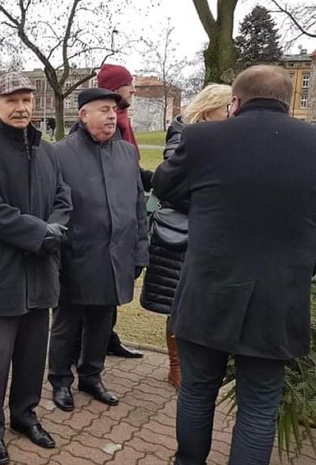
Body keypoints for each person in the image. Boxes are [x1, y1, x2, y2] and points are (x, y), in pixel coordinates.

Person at [153, 65, 316, 465]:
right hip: (280, 294)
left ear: (235, 102)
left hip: (209, 286)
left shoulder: (204, 138)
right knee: (260, 403)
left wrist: (206, 206)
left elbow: (165, 186)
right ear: (287, 102)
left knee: (197, 390)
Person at [0, 71, 72, 465]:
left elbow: (63, 197)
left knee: (32, 354)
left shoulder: (48, 151)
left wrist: (55, 228)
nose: (21, 107)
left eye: (26, 100)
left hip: (41, 270)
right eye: (12, 100)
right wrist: (40, 233)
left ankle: (25, 415)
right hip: (3, 272)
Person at [48, 88, 148, 412]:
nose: (111, 116)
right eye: (103, 109)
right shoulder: (59, 153)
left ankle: (91, 376)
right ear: (83, 115)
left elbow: (138, 206)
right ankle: (60, 380)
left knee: (102, 321)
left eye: (114, 110)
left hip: (116, 255)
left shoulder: (127, 153)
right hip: (75, 254)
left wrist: (140, 251)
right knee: (67, 322)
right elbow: (52, 207)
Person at [139, 83, 232, 390]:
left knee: (206, 302)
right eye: (227, 108)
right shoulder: (184, 135)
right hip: (181, 231)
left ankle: (198, 365)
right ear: (210, 108)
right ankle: (176, 365)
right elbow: (171, 184)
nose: (232, 113)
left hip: (213, 232)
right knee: (178, 301)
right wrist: (208, 204)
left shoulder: (231, 136)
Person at [94, 63, 147, 359]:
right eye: (129, 84)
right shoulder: (113, 127)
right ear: (115, 88)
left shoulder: (123, 121)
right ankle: (88, 347)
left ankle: (107, 336)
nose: (133, 90)